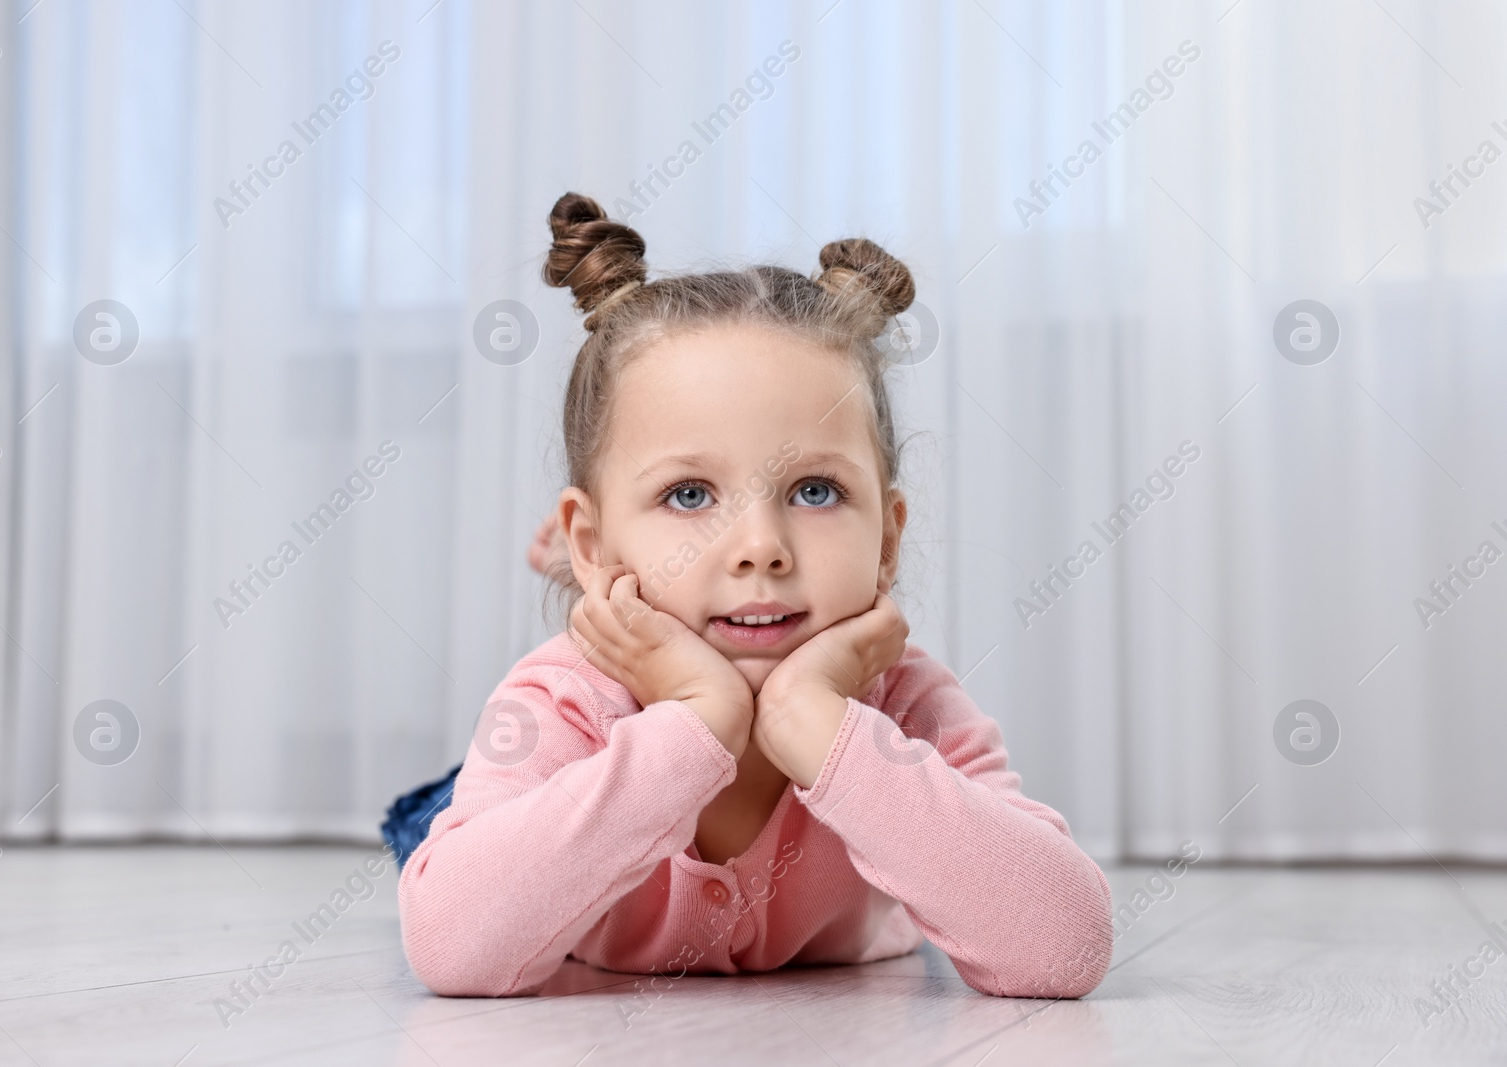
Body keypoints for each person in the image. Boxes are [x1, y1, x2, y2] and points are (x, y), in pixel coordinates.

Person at [394, 192, 1114, 1000]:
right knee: (433, 825)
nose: (762, 548)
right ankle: (580, 588)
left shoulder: (906, 703)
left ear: (887, 540)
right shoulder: (564, 699)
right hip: (553, 786)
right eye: (691, 495)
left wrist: (822, 722)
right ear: (591, 538)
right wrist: (697, 715)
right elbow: (453, 946)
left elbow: (1067, 948)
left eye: (814, 491)